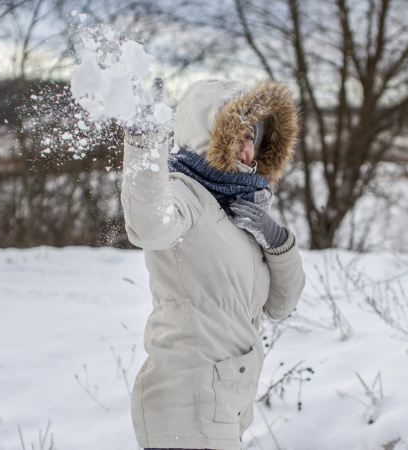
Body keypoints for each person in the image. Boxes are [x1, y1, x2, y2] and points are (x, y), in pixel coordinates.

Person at [121, 78, 306, 450]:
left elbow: (281, 305)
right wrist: (144, 145)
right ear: (208, 134)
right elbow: (149, 224)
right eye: (234, 133)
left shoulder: (243, 209)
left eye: (251, 136)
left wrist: (276, 241)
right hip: (186, 405)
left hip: (222, 407)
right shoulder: (184, 193)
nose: (244, 146)